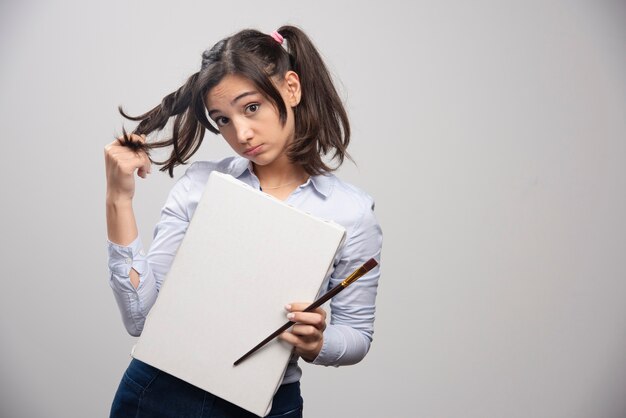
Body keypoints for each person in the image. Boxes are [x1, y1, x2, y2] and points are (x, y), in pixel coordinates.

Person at [104, 25, 382, 418]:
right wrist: (119, 198)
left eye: (251, 107)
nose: (241, 133)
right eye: (222, 120)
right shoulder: (200, 185)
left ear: (291, 88)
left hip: (263, 405)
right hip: (157, 394)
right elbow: (139, 318)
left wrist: (317, 342)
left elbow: (357, 335)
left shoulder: (350, 212)